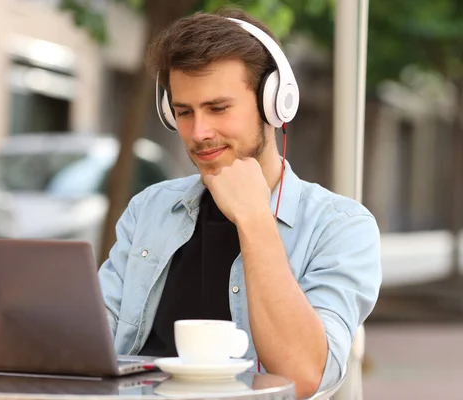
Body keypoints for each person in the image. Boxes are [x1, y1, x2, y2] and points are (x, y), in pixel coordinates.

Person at [98, 7, 381, 399]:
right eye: (184, 112)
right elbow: (91, 344)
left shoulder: (341, 227)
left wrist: (253, 218)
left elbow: (301, 377)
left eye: (218, 108)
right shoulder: (149, 209)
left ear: (274, 103)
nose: (199, 132)